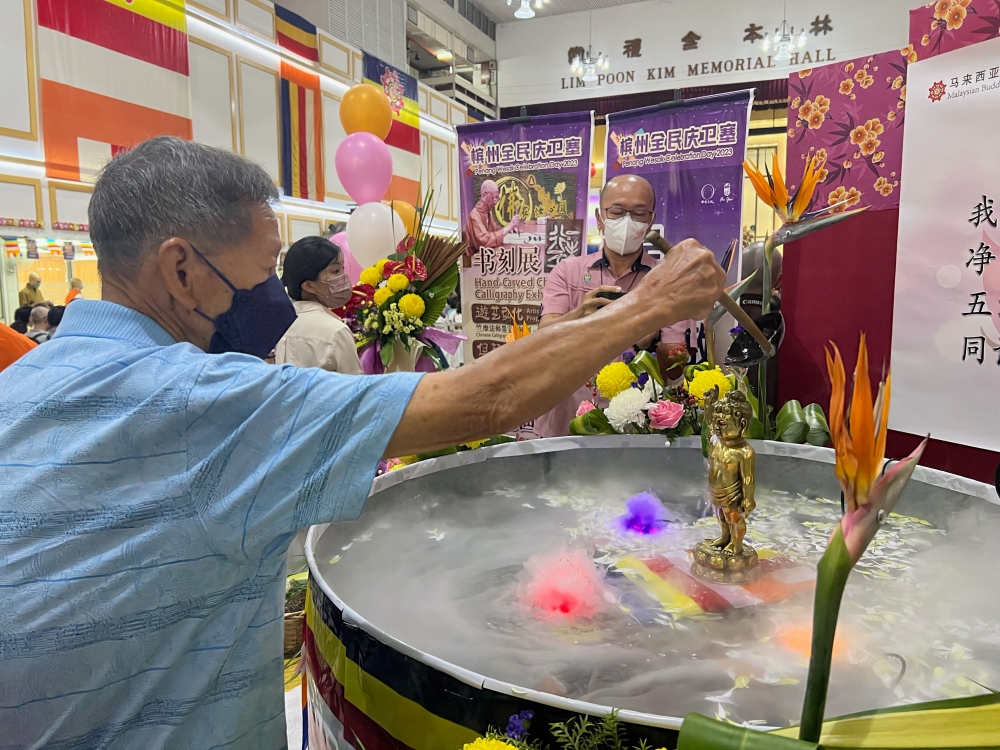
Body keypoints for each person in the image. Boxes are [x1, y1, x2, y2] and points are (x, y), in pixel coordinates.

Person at [0, 136, 723, 749]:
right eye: (260, 274)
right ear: (181, 269)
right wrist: (652, 305)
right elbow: (486, 399)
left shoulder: (22, 387)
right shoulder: (204, 404)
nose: (273, 302)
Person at [533, 174, 700, 438]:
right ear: (600, 218)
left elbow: (674, 373)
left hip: (636, 427)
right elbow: (543, 338)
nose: (627, 221)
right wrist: (579, 315)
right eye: (617, 211)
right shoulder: (568, 271)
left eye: (639, 213)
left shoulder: (668, 281)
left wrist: (653, 331)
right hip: (568, 422)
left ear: (650, 221)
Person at [274, 236, 363, 374]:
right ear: (309, 285)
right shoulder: (336, 331)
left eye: (342, 269)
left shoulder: (277, 324)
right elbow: (356, 388)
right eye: (335, 271)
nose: (344, 277)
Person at [463, 179, 522, 252]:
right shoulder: (474, 216)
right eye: (494, 198)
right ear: (484, 196)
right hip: (475, 260)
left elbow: (496, 230)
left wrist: (510, 230)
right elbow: (484, 241)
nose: (495, 202)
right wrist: (509, 227)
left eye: (497, 199)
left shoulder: (487, 213)